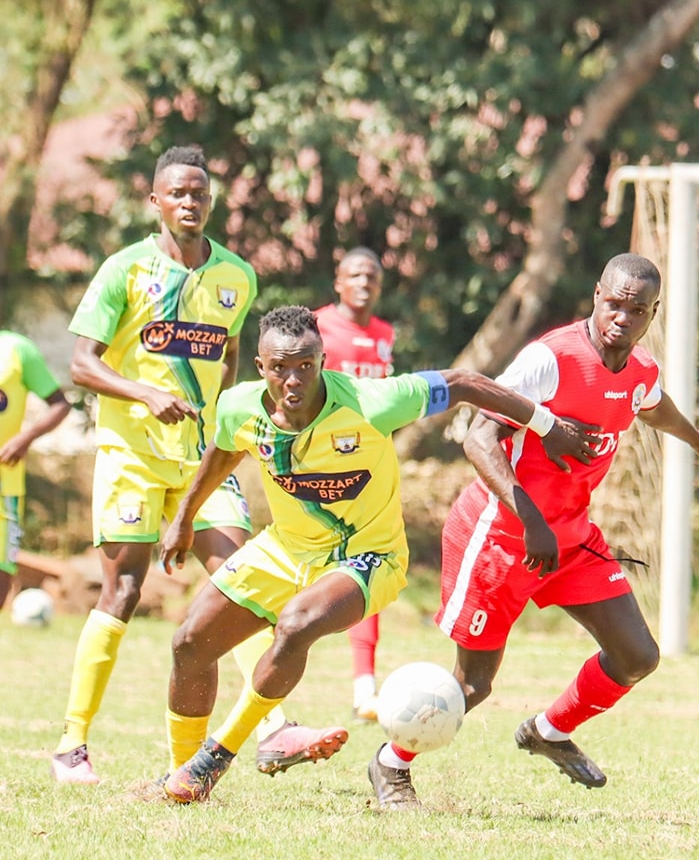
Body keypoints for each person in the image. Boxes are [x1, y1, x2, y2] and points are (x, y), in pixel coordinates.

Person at [155, 304, 598, 804]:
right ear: (260, 367)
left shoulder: (373, 402)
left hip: (367, 557)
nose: (293, 380)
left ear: (323, 361)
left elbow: (465, 382)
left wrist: (545, 424)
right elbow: (223, 451)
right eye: (280, 368)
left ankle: (215, 757)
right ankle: (179, 778)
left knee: (296, 624)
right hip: (285, 548)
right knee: (189, 642)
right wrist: (184, 517)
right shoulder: (239, 407)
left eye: (305, 365)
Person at [367, 252, 699, 809]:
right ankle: (390, 764)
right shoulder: (551, 359)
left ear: (653, 313)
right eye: (614, 304)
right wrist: (531, 521)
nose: (622, 317)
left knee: (637, 656)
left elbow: (653, 406)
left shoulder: (640, 371)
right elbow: (478, 439)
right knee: (472, 686)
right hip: (500, 537)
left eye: (637, 310)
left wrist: (697, 441)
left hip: (571, 539)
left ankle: (549, 731)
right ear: (596, 296)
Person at [51, 146, 345, 785]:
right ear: (155, 201)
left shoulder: (237, 276)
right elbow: (80, 364)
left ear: (211, 203)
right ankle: (72, 744)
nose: (189, 203)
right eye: (178, 193)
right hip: (131, 455)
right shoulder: (125, 270)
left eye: (200, 194)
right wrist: (145, 393)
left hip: (201, 460)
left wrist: (235, 427)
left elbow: (235, 359)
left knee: (242, 579)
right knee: (123, 591)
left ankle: (273, 727)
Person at [316, 246, 395, 721]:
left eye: (372, 276)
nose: (364, 282)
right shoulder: (317, 326)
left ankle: (365, 689)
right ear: (338, 283)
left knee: (369, 566)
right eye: (355, 275)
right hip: (319, 468)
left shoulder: (385, 335)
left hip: (368, 470)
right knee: (302, 568)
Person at [0, 331, 71, 610]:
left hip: (5, 484)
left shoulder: (17, 349)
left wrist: (24, 439)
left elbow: (60, 403)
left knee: (3, 570)